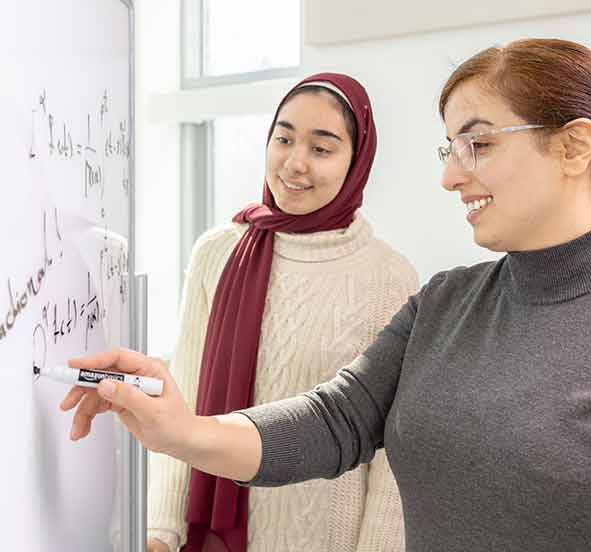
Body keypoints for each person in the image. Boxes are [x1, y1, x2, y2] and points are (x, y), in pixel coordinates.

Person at [62, 38, 591, 552]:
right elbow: (334, 420)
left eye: (477, 145)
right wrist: (183, 431)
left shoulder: (393, 277)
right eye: (450, 147)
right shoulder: (446, 303)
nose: (449, 176)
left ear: (573, 147)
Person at [115, 73, 418, 552]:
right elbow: (186, 391)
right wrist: (159, 530)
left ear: (356, 162)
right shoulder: (218, 252)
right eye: (284, 138)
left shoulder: (388, 278)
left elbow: (392, 456)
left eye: (322, 149)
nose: (295, 163)